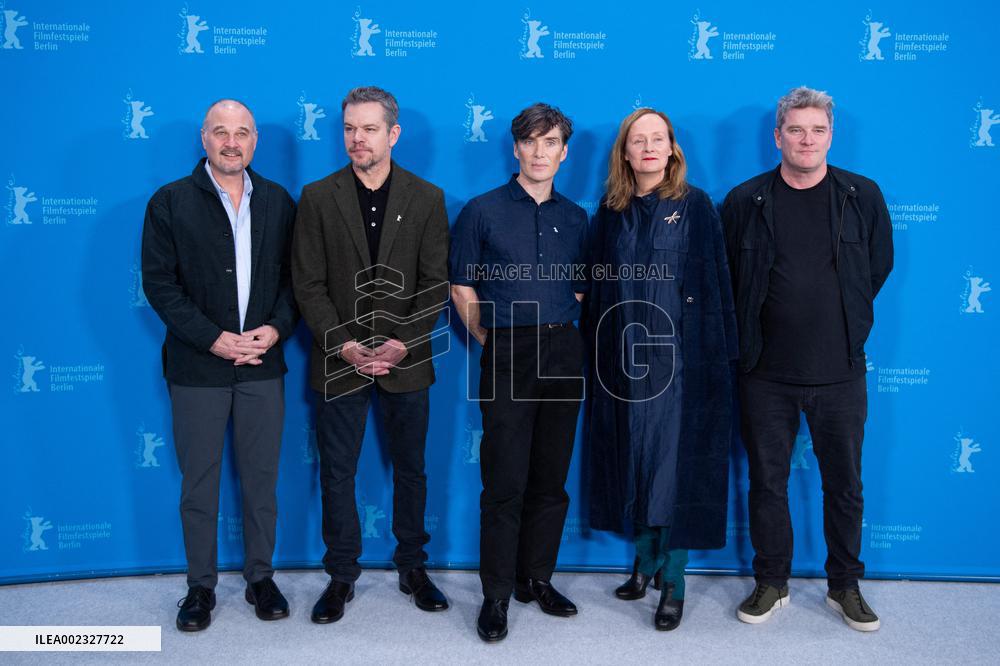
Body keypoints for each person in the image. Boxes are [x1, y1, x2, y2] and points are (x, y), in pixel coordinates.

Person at [722, 86, 893, 632]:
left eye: (817, 130)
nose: (807, 140)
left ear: (831, 136)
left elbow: (878, 267)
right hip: (764, 373)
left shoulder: (861, 195)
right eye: (796, 130)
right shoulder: (745, 200)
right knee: (766, 483)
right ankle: (772, 582)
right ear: (778, 137)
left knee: (845, 486)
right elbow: (730, 278)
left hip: (840, 371)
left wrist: (845, 319)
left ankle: (845, 586)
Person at [291, 86, 450, 624]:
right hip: (339, 360)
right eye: (349, 129)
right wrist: (345, 345)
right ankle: (341, 575)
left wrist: (404, 340)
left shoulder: (427, 198)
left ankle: (413, 568)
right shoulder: (318, 197)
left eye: (369, 129)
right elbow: (308, 283)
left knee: (412, 470)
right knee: (338, 473)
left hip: (408, 359)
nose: (357, 138)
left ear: (393, 133)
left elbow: (435, 283)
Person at [141, 99, 298, 632]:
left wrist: (275, 329)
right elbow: (159, 284)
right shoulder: (170, 202)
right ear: (203, 138)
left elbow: (296, 281)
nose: (232, 142)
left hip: (262, 364)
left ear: (255, 141)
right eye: (221, 132)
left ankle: (261, 578)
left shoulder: (278, 201)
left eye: (242, 133)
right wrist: (212, 339)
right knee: (199, 483)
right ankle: (200, 587)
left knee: (261, 480)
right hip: (197, 368)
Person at [584, 108, 738, 631]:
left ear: (672, 148)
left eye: (658, 139)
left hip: (680, 363)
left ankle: (673, 579)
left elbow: (717, 285)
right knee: (637, 461)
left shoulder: (696, 206)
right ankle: (645, 562)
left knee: (674, 470)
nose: (648, 147)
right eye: (638, 140)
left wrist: (722, 358)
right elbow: (597, 290)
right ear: (624, 153)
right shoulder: (610, 212)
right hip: (624, 362)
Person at [450, 103, 588, 643]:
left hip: (563, 351)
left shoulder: (576, 217)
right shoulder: (481, 211)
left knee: (551, 479)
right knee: (504, 480)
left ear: (564, 151)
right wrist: (493, 338)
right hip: (508, 349)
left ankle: (538, 578)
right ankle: (497, 594)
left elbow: (580, 288)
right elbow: (461, 285)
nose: (539, 152)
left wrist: (555, 331)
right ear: (515, 148)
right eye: (530, 141)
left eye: (550, 142)